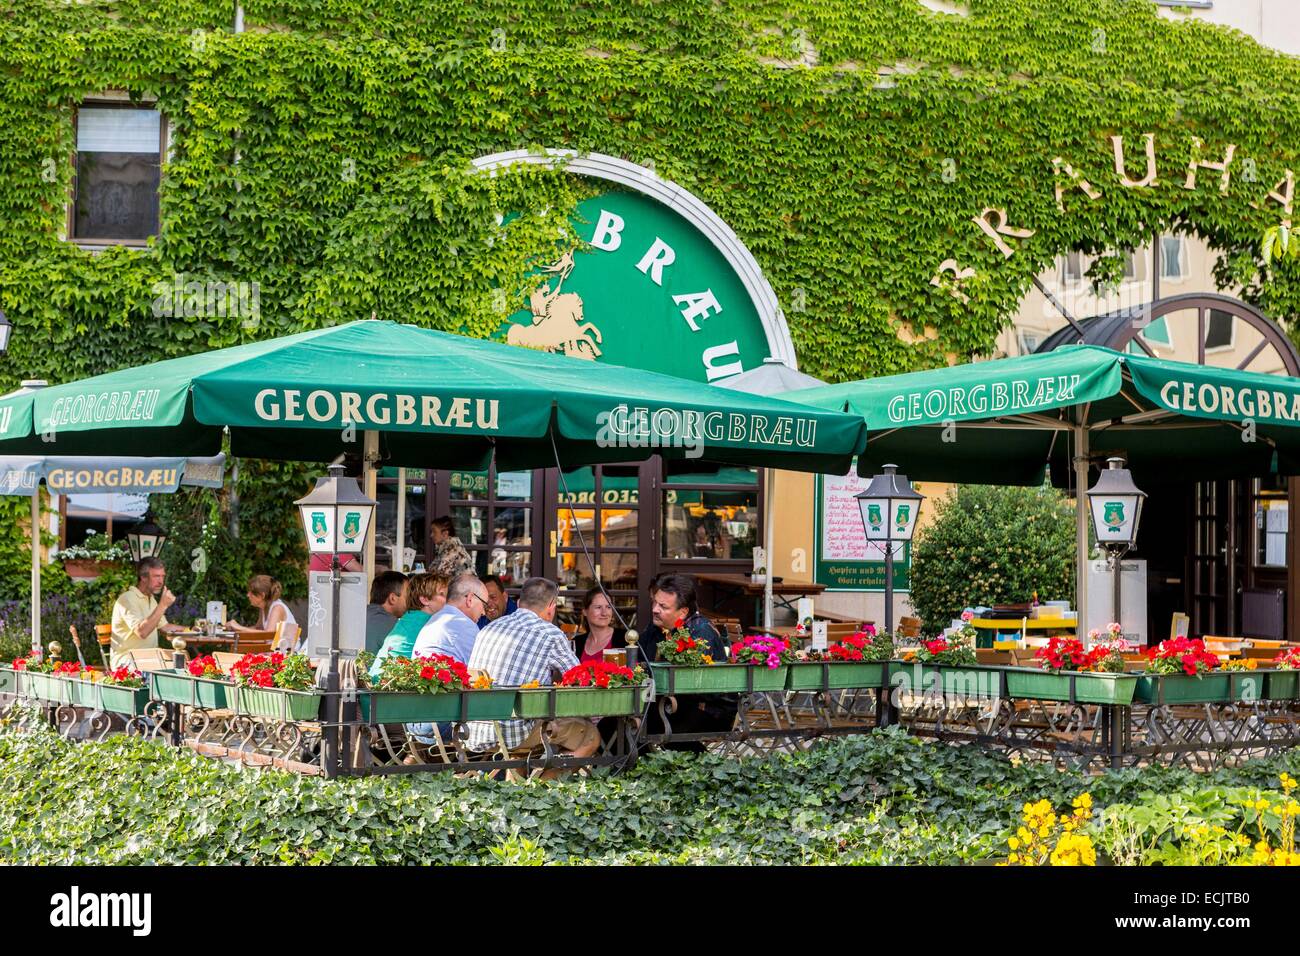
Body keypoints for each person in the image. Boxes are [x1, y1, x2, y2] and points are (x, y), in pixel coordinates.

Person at [465, 577, 600, 760]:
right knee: (590, 736)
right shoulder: (550, 634)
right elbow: (580, 680)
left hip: (475, 730)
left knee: (534, 720)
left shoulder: (489, 628)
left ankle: (518, 784)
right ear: (551, 607)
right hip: (515, 734)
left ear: (519, 603)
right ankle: (544, 783)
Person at [640, 573, 735, 752]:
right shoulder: (655, 629)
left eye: (663, 606)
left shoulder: (701, 632)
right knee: (616, 723)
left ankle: (701, 771)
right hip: (669, 703)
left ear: (683, 612)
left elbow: (693, 685)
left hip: (710, 710)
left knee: (651, 725)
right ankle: (637, 771)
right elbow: (639, 662)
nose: (655, 609)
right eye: (655, 603)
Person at [369, 573, 449, 682]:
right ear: (425, 599)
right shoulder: (430, 623)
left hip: (375, 686)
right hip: (388, 690)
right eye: (442, 594)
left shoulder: (410, 616)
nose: (447, 600)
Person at [109, 557, 187, 668]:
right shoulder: (127, 599)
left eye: (162, 576)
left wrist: (192, 630)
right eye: (156, 576)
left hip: (151, 657)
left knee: (184, 664)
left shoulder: (151, 599)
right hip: (127, 660)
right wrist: (163, 605)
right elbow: (142, 632)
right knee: (176, 669)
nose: (161, 581)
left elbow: (165, 627)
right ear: (143, 577)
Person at [411, 572, 485, 663]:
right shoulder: (463, 624)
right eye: (484, 605)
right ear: (469, 599)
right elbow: (482, 668)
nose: (483, 613)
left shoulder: (437, 617)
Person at [571, 586, 628, 662]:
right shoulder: (577, 642)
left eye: (608, 607)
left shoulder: (625, 639)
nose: (604, 613)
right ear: (585, 611)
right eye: (598, 607)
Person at [229, 575, 296, 638]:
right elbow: (258, 628)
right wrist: (234, 629)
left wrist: (238, 627)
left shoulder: (277, 608)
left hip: (287, 650)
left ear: (262, 595)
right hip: (272, 648)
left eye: (251, 592)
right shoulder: (264, 607)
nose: (248, 595)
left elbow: (268, 635)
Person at [365, 571, 408, 655]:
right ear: (392, 599)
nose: (411, 601)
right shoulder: (391, 624)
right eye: (408, 596)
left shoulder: (360, 614)